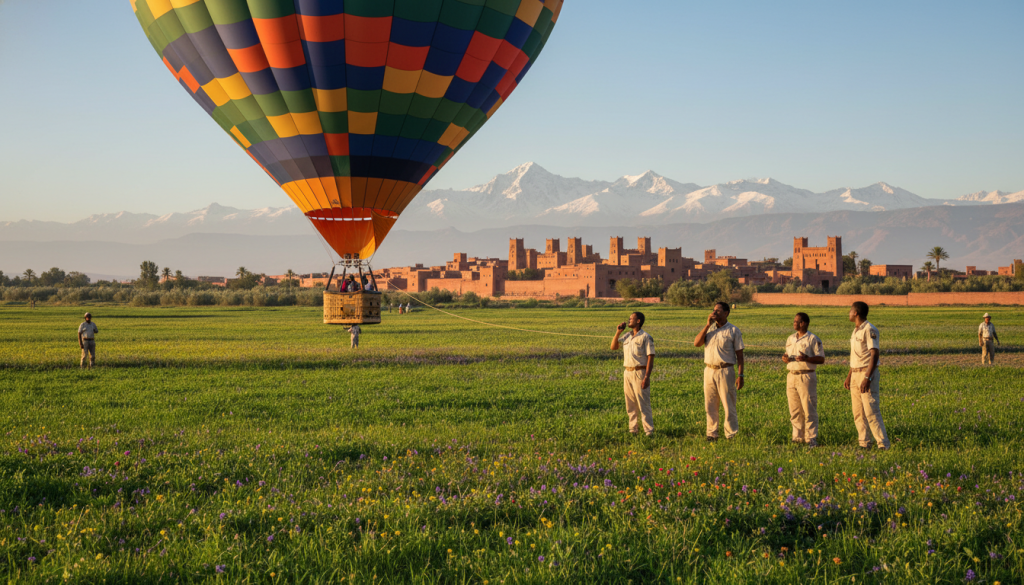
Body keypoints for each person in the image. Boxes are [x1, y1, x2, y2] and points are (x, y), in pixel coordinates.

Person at [694, 301, 744, 441]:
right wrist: (707, 325)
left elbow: (740, 356)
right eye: (713, 310)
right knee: (710, 404)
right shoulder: (709, 329)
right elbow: (697, 343)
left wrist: (741, 375)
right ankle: (712, 433)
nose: (714, 313)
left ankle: (731, 434)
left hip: (725, 370)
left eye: (718, 311)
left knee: (728, 404)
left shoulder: (733, 330)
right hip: (709, 370)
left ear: (726, 313)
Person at [845, 301, 890, 450]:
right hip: (855, 373)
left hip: (866, 373)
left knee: (871, 410)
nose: (849, 313)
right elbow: (856, 356)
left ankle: (883, 444)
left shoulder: (870, 329)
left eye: (851, 310)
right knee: (858, 412)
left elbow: (874, 354)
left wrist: (867, 378)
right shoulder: (855, 330)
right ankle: (864, 443)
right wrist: (849, 375)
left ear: (856, 313)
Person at [782, 312, 824, 446]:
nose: (794, 323)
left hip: (806, 375)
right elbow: (787, 355)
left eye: (797, 321)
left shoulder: (813, 339)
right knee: (794, 410)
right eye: (794, 321)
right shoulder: (790, 339)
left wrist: (807, 358)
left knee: (809, 408)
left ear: (804, 323)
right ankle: (797, 437)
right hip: (791, 375)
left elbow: (821, 358)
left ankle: (811, 438)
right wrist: (785, 359)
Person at [610, 312, 655, 437]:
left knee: (643, 403)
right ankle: (633, 430)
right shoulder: (626, 336)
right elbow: (613, 347)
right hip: (627, 372)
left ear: (638, 321)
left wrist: (647, 376)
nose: (629, 320)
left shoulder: (646, 337)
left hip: (639, 371)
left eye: (631, 318)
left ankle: (648, 431)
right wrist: (618, 332)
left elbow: (650, 357)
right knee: (630, 403)